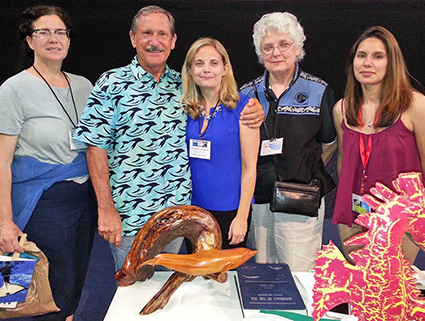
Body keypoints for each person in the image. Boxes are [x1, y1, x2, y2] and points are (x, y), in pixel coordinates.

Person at [73, 5, 264, 271]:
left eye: (162, 34)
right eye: (147, 33)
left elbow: (222, 102)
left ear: (173, 41)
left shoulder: (183, 87)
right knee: (134, 290)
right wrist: (105, 209)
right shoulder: (111, 83)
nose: (154, 41)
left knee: (176, 291)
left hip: (179, 216)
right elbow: (95, 147)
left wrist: (255, 109)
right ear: (133, 38)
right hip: (131, 215)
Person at [0, 5, 97, 321]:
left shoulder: (84, 85)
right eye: (44, 32)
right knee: (34, 288)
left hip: (84, 199)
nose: (54, 39)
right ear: (30, 41)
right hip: (41, 202)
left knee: (75, 282)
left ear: (68, 39)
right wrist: (4, 221)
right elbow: (2, 160)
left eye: (60, 32)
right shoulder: (14, 89)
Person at [332, 26, 425, 264]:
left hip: (398, 218)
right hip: (355, 213)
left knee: (392, 292)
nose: (367, 63)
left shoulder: (415, 104)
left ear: (391, 63)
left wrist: (396, 198)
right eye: (361, 56)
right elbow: (344, 162)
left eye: (378, 56)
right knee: (362, 289)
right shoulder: (342, 109)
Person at [240, 12, 336, 271]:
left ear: (297, 47)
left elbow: (329, 143)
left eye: (284, 44)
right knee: (261, 273)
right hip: (258, 200)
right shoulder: (246, 93)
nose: (276, 52)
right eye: (268, 47)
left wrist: (303, 168)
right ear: (260, 53)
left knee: (299, 273)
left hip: (300, 200)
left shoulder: (319, 91)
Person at [181, 37, 259, 249]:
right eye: (199, 63)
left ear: (225, 68)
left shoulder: (245, 108)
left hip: (230, 210)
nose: (206, 69)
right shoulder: (185, 109)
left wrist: (242, 216)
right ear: (190, 70)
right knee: (196, 274)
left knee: (225, 276)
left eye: (213, 63)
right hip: (193, 209)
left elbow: (249, 168)